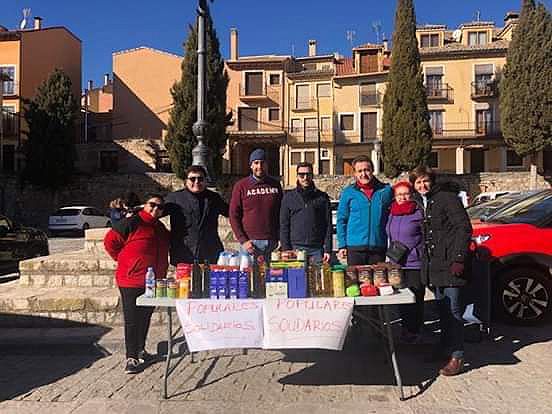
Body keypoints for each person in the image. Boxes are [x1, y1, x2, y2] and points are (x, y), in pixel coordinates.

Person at [409, 166, 472, 376]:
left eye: (425, 181)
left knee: (454, 311)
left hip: (451, 263)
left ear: (432, 181)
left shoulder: (447, 198)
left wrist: (459, 258)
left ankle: (457, 355)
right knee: (442, 310)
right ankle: (445, 347)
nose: (422, 185)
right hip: (435, 266)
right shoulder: (423, 201)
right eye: (418, 182)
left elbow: (464, 227)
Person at [104, 193, 169, 374]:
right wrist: (124, 260)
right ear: (144, 205)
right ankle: (131, 357)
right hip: (131, 280)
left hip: (152, 281)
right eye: (152, 204)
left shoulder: (160, 228)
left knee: (145, 317)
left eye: (160, 207)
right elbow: (110, 242)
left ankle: (141, 350)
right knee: (132, 319)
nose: (156, 209)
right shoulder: (132, 222)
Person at [164, 165, 229, 265]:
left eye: (200, 179)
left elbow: (231, 212)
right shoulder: (175, 198)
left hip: (210, 252)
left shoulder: (214, 198)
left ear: (205, 181)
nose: (197, 182)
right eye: (192, 179)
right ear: (186, 181)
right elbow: (154, 213)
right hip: (183, 252)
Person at [385, 181, 425, 342]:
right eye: (399, 194)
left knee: (415, 298)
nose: (402, 197)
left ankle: (415, 330)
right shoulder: (391, 213)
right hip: (397, 262)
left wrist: (417, 251)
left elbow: (425, 236)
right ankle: (405, 328)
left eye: (405, 194)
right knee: (401, 297)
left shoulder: (418, 212)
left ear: (411, 195)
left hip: (414, 262)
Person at [336, 155, 393, 265]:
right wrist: (342, 245)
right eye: (360, 171)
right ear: (355, 173)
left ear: (372, 170)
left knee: (378, 277)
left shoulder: (385, 191)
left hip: (378, 246)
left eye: (367, 170)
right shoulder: (348, 192)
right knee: (355, 277)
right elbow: (341, 220)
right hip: (355, 248)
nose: (363, 174)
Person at [229, 148, 282, 263]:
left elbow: (281, 213)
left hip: (272, 243)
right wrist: (243, 240)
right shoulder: (241, 186)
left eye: (263, 162)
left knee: (272, 274)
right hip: (250, 244)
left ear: (267, 165)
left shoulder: (275, 185)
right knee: (248, 274)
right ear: (251, 165)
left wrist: (280, 237)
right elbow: (233, 215)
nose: (259, 166)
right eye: (256, 163)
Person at [280, 162, 332, 264]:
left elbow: (328, 225)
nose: (305, 178)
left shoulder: (322, 197)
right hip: (295, 249)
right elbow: (284, 225)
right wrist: (286, 249)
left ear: (312, 175)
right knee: (296, 275)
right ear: (297, 176)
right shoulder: (288, 197)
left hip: (317, 249)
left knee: (317, 275)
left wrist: (328, 249)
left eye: (308, 174)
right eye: (301, 175)